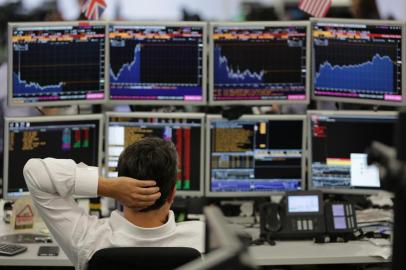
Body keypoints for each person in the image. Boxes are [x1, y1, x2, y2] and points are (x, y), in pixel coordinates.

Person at [23, 137, 204, 270]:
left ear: (120, 186)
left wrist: (106, 186)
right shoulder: (205, 238)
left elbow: (34, 172)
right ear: (172, 193)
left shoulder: (89, 240)